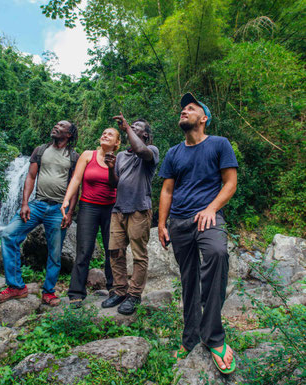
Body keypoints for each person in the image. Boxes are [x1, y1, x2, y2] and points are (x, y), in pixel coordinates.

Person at [158, 93, 238, 374]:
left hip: (208, 219)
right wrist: (161, 223)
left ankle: (214, 336)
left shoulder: (219, 144)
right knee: (188, 278)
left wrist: (211, 209)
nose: (184, 111)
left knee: (217, 254)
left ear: (203, 118)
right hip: (179, 222)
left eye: (190, 109)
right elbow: (167, 190)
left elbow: (230, 183)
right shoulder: (173, 153)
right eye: (182, 109)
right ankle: (190, 337)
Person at [0, 120, 79, 306]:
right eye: (55, 124)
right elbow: (31, 176)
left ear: (69, 134)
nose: (55, 126)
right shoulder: (40, 150)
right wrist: (24, 203)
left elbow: (74, 185)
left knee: (55, 253)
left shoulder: (73, 156)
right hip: (37, 205)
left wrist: (70, 212)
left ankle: (49, 292)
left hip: (58, 210)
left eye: (61, 126)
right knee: (9, 235)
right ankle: (16, 287)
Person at [101, 114, 159, 315]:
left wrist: (126, 128)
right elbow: (114, 183)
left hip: (139, 210)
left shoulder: (151, 150)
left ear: (145, 134)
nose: (131, 128)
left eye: (136, 127)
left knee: (138, 255)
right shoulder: (122, 157)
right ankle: (120, 291)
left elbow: (141, 151)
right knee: (115, 252)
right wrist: (110, 168)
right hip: (118, 210)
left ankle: (134, 295)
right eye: (130, 126)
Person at [61, 128, 121, 308]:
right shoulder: (88, 155)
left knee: (112, 250)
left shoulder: (120, 160)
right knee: (84, 249)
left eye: (110, 135)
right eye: (104, 133)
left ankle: (114, 289)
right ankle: (76, 293)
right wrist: (66, 200)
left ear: (117, 144)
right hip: (88, 207)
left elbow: (119, 184)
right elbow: (76, 179)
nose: (105, 135)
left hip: (111, 208)